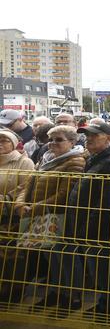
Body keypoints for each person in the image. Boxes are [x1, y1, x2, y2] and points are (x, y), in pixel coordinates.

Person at [57, 122, 110, 321]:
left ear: (108, 138)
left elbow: (109, 203)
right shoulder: (98, 158)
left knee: (105, 271)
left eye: (94, 135)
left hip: (99, 230)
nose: (89, 138)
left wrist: (89, 228)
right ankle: (106, 305)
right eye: (87, 135)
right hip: (88, 227)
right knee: (100, 271)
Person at [15, 125, 87, 306]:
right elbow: (29, 183)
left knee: (65, 257)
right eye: (51, 139)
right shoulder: (45, 158)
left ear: (72, 142)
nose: (53, 143)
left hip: (60, 216)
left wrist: (35, 207)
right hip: (39, 214)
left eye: (59, 140)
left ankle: (73, 295)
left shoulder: (76, 161)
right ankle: (58, 291)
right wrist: (20, 202)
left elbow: (64, 194)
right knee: (50, 256)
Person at [0, 129, 35, 301]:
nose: (0, 143)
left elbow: (26, 187)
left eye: (4, 140)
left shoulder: (24, 162)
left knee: (12, 256)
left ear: (13, 143)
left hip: (11, 215)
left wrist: (5, 200)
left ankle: (13, 289)